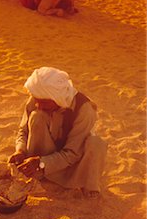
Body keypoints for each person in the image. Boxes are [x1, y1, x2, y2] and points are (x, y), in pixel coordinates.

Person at [9, 67, 107, 198]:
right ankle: (38, 172)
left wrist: (42, 162)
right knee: (36, 117)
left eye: (44, 103)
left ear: (58, 98)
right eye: (36, 100)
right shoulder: (38, 98)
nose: (39, 105)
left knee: (96, 143)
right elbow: (23, 131)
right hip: (44, 159)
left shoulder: (84, 110)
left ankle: (88, 185)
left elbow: (72, 154)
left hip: (73, 163)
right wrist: (20, 151)